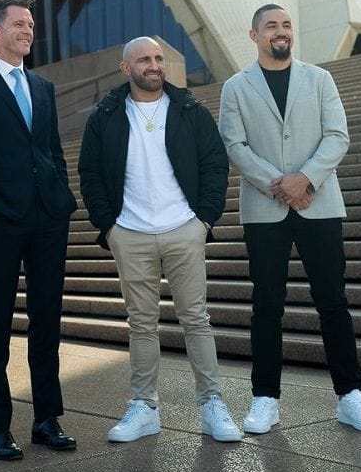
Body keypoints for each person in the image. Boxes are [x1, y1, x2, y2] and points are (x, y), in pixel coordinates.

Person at [218, 4, 361, 434]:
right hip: (265, 207)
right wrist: (279, 183)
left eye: (286, 24)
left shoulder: (320, 79)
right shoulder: (236, 87)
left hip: (320, 203)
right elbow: (234, 145)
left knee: (333, 301)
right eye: (271, 25)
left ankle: (350, 396)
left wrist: (305, 180)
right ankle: (265, 399)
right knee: (266, 306)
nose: (281, 31)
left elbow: (337, 135)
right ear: (254, 35)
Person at [78, 37, 241, 443]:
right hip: (130, 233)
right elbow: (90, 173)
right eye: (144, 60)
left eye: (158, 58)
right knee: (141, 324)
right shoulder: (106, 115)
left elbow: (215, 164)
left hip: (184, 228)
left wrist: (203, 220)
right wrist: (109, 227)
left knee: (196, 320)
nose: (153, 65)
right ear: (125, 68)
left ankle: (212, 404)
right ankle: (144, 407)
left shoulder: (189, 109)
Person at [0, 0, 78, 460]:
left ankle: (47, 418)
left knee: (47, 318)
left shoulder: (42, 87)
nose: (28, 31)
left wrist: (61, 196)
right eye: (19, 24)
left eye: (30, 25)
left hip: (47, 217)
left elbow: (51, 149)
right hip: (1, 219)